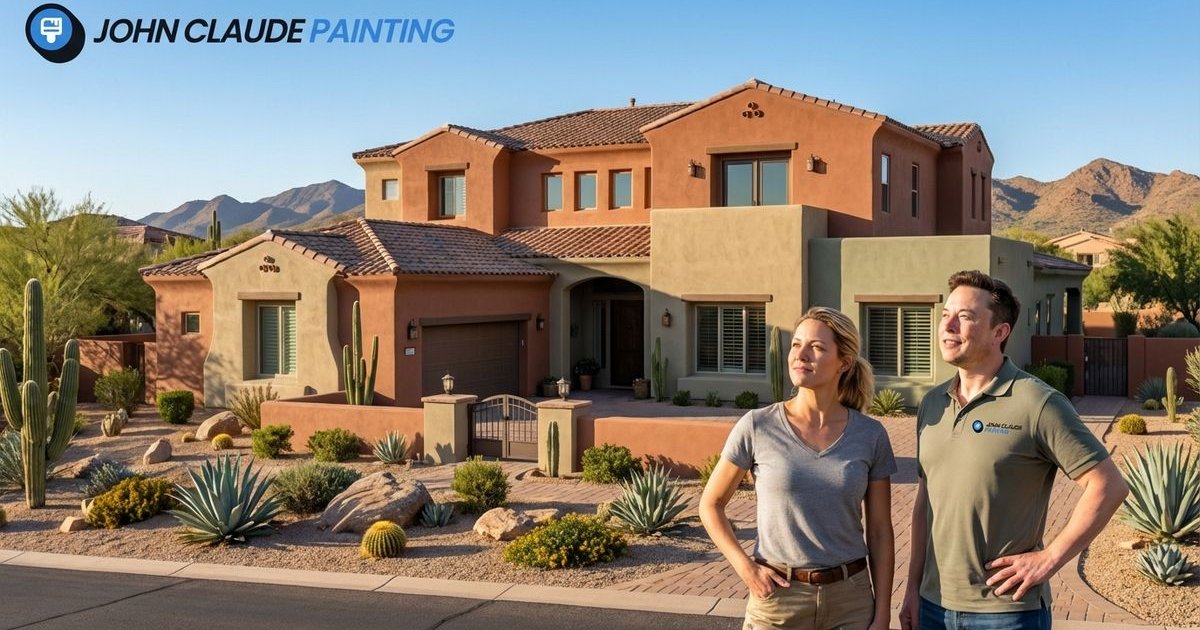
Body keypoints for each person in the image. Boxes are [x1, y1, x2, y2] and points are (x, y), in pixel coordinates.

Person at [899, 270, 1129, 630]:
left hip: (1007, 613)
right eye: (946, 315)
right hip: (933, 607)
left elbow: (1109, 485)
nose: (949, 326)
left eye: (965, 317)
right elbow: (925, 502)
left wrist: (1050, 558)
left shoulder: (1037, 402)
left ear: (999, 332)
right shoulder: (932, 405)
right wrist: (912, 586)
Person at [700, 307, 897, 630]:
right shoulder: (757, 426)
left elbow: (879, 531)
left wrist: (883, 612)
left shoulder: (870, 435)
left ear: (844, 363)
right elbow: (710, 504)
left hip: (851, 600)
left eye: (816, 347)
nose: (801, 354)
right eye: (796, 344)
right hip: (778, 601)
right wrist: (746, 569)